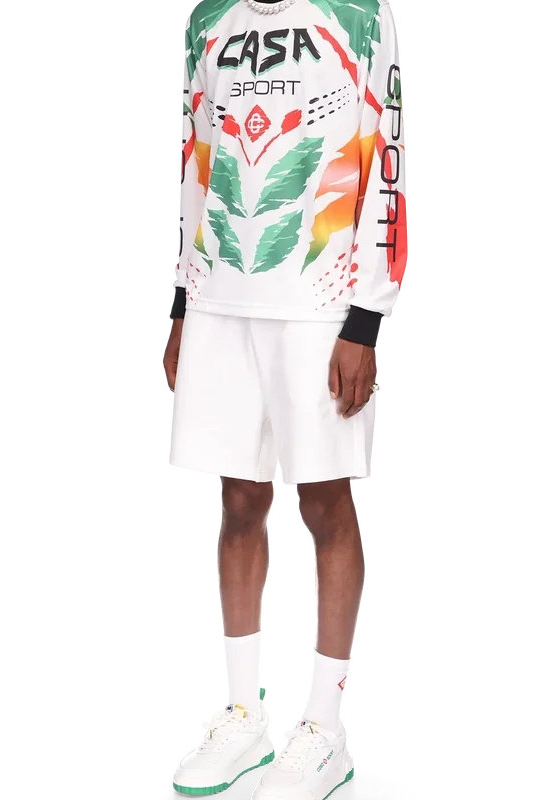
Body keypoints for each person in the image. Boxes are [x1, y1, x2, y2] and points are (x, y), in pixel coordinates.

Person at [165, 0, 407, 796]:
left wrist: (367, 317)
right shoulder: (207, 18)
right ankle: (243, 713)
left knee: (325, 503)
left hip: (319, 298)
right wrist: (180, 304)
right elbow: (192, 159)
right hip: (220, 296)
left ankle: (328, 729)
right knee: (239, 501)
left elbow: (391, 157)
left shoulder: (361, 14)